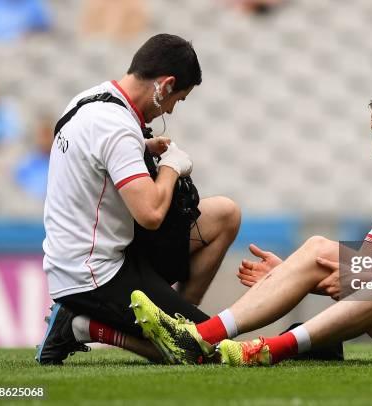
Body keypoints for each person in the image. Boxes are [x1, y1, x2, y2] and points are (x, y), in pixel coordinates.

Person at [128, 81, 372, 366]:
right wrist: (299, 275)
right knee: (319, 249)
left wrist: (344, 276)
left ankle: (272, 348)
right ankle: (200, 338)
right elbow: (362, 272)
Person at [35, 34, 241, 365]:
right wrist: (172, 167)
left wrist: (142, 148)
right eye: (179, 98)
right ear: (166, 84)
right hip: (94, 275)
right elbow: (149, 214)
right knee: (209, 351)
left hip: (92, 254)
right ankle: (80, 326)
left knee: (225, 215)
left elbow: (95, 156)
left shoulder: (91, 100)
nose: (172, 108)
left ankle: (173, 322)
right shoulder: (116, 128)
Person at [14, 116, 53, 200]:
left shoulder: (62, 164)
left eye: (47, 134)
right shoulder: (24, 165)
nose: (44, 140)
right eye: (41, 135)